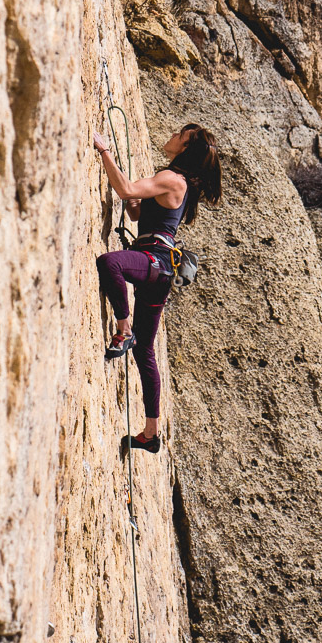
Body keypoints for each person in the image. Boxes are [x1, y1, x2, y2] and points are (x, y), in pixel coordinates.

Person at [93, 122, 221, 452]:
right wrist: (134, 199)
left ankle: (123, 329)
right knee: (145, 350)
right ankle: (151, 433)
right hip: (159, 267)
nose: (174, 134)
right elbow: (137, 210)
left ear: (185, 148)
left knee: (111, 263)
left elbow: (125, 191)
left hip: (154, 261)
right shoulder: (178, 184)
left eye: (181, 134)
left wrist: (104, 149)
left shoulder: (172, 179)